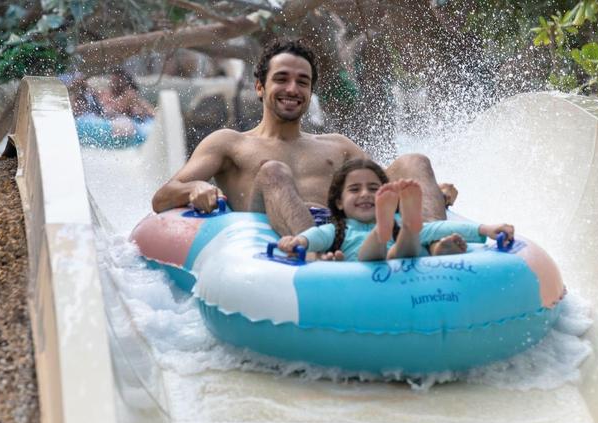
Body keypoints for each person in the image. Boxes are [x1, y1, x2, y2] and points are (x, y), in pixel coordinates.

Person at [151, 39, 456, 237]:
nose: (292, 89)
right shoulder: (230, 143)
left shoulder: (338, 146)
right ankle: (312, 255)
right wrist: (196, 188)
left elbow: (383, 187)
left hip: (346, 234)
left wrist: (427, 191)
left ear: (311, 92)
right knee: (272, 170)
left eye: (303, 82)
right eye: (281, 79)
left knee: (414, 162)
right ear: (260, 87)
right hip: (282, 243)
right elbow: (164, 196)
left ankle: (438, 244)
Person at [276, 159, 514, 261]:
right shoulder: (337, 230)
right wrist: (298, 242)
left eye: (373, 188)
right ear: (338, 202)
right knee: (380, 251)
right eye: (355, 189)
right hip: (367, 263)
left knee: (417, 234)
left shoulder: (397, 221)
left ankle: (404, 230)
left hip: (402, 250)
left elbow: (439, 227)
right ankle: (383, 231)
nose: (365, 194)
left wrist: (485, 228)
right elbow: (313, 237)